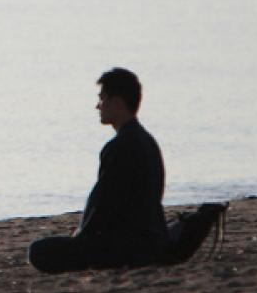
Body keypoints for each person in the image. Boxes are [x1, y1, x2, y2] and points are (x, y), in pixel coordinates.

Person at [28, 67, 169, 274]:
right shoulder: (147, 141)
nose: (97, 106)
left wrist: (84, 235)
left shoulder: (120, 146)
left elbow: (106, 203)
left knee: (38, 251)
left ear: (117, 102)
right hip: (151, 237)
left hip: (126, 246)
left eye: (102, 99)